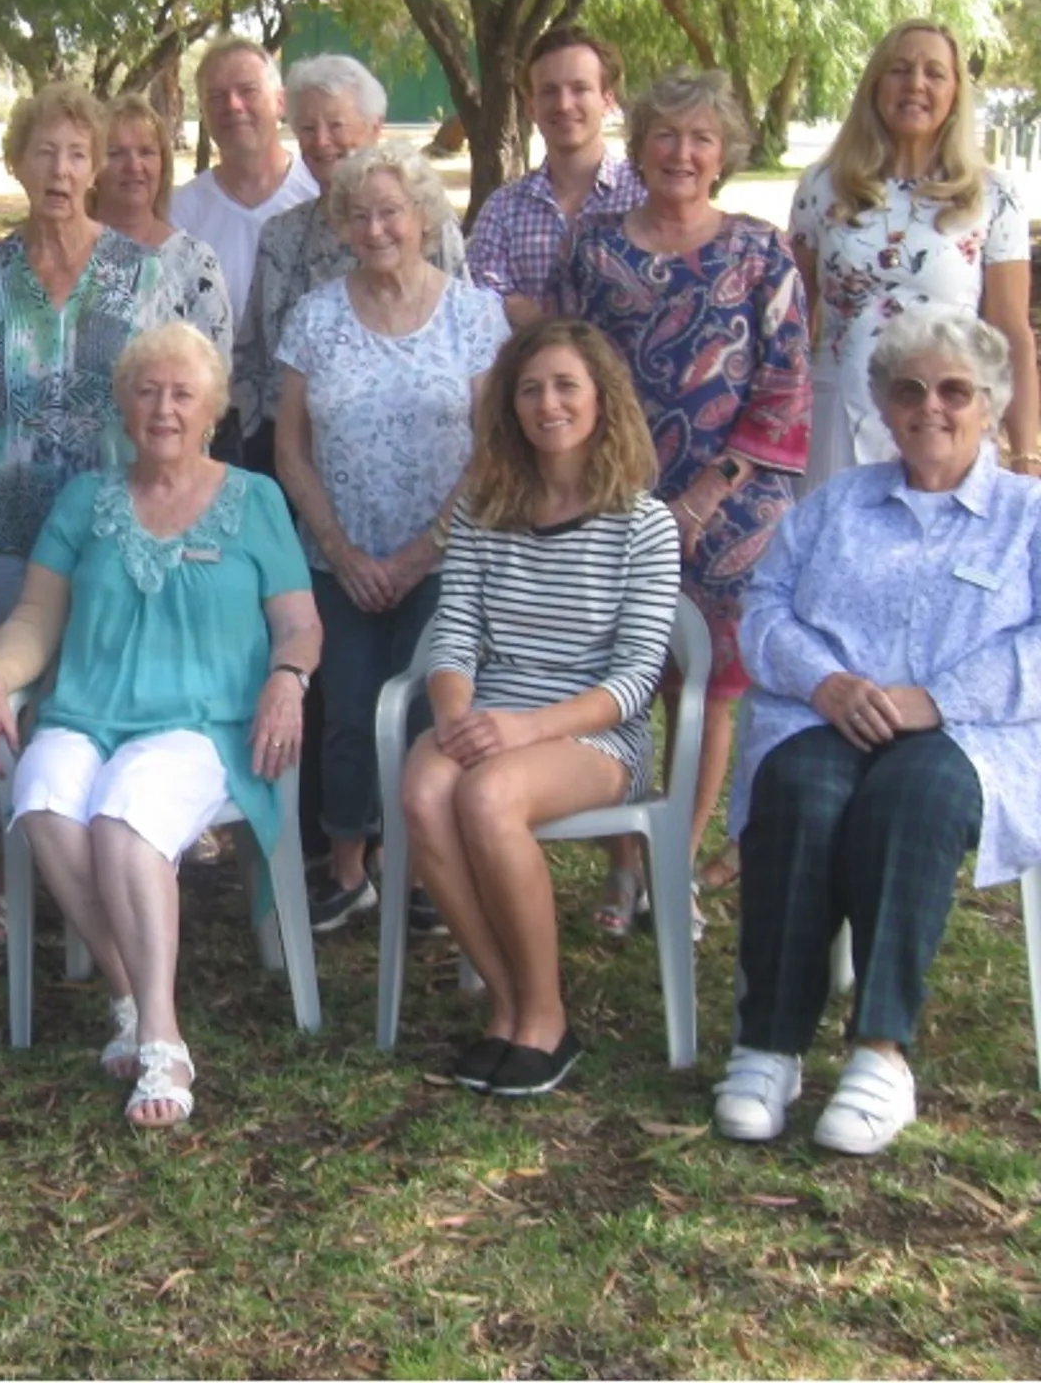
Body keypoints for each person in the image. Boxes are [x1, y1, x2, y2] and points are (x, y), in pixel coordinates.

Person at [0, 322, 320, 1128]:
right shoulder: (85, 500)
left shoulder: (255, 499)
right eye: (147, 391)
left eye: (182, 394)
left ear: (211, 410)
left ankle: (162, 1037)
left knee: (126, 814)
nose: (163, 408)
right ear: (124, 406)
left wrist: (288, 680)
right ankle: (128, 994)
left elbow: (300, 624)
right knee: (46, 794)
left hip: (205, 723)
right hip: (89, 712)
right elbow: (34, 617)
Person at [713, 306, 1041, 1155]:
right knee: (800, 791)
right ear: (884, 407)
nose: (931, 407)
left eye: (955, 391)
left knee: (913, 799)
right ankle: (770, 1045)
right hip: (828, 711)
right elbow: (767, 606)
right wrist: (826, 684)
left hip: (971, 729)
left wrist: (936, 699)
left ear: (992, 404)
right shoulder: (835, 505)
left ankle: (881, 1053)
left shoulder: (1027, 515)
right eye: (909, 390)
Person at [400, 319, 680, 1097]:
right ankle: (506, 1002)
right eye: (530, 390)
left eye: (565, 386)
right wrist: (455, 713)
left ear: (601, 399)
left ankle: (548, 1020)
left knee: (490, 794)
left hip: (593, 735)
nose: (547, 404)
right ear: (509, 409)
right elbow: (453, 636)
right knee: (425, 788)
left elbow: (635, 680)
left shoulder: (644, 524)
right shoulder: (486, 511)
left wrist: (523, 730)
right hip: (491, 715)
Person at [558, 70, 811, 924]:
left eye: (701, 138)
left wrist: (708, 493)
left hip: (732, 508)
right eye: (667, 135)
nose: (683, 152)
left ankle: (679, 860)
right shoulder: (594, 248)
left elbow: (783, 386)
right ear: (642, 146)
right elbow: (565, 373)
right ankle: (623, 862)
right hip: (606, 499)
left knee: (708, 691)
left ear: (724, 153)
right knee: (612, 677)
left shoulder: (760, 252)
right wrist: (609, 487)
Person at [274, 143, 507, 931]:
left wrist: (417, 557)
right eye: (359, 215)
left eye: (391, 212)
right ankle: (349, 867)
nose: (376, 229)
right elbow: (289, 447)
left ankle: (419, 872)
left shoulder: (476, 317)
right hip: (339, 561)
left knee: (427, 715)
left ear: (423, 217)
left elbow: (492, 448)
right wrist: (340, 551)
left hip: (447, 559)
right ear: (340, 225)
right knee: (343, 707)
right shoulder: (316, 318)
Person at [0, 81, 168, 940]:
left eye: (78, 153)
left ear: (98, 168)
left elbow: (156, 395)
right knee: (9, 693)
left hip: (109, 523)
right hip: (6, 518)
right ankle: (11, 881)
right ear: (17, 163)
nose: (62, 168)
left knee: (97, 690)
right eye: (44, 151)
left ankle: (106, 865)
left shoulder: (136, 271)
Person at [790, 19, 1038, 491]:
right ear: (875, 85)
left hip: (949, 421)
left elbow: (1012, 332)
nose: (916, 84)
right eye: (899, 70)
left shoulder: (992, 197)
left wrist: (1026, 455)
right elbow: (794, 321)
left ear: (956, 93)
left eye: (934, 73)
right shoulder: (822, 188)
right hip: (839, 417)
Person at [235, 54, 468, 473]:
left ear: (376, 128)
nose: (321, 141)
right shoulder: (281, 237)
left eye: (336, 125)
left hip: (425, 453)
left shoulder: (431, 225)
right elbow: (252, 357)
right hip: (297, 459)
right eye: (307, 128)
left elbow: (464, 340)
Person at [467, 26, 645, 330]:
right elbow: (482, 311)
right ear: (531, 107)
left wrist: (531, 314)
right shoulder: (502, 211)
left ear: (607, 100)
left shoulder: (644, 196)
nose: (564, 104)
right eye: (549, 91)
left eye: (580, 88)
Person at [170, 37, 317, 342]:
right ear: (203, 114)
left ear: (281, 102)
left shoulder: (322, 195)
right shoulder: (179, 215)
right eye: (216, 96)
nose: (233, 105)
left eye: (247, 91)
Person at [91, 92, 233, 364]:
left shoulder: (193, 261)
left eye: (146, 152)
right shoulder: (66, 254)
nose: (134, 166)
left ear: (163, 165)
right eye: (115, 154)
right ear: (92, 167)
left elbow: (215, 375)